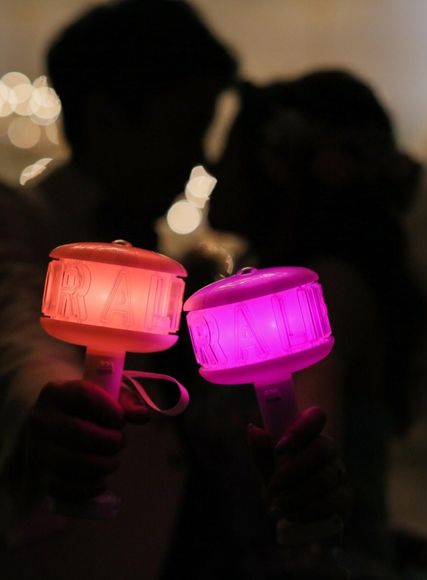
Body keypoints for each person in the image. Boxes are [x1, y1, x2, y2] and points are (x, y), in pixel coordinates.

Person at [0, 3, 349, 579]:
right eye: (186, 128)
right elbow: (20, 341)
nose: (200, 158)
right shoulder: (18, 221)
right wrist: (55, 405)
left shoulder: (182, 273)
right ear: (106, 118)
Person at [208, 70, 427, 577]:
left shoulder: (322, 291)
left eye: (231, 148)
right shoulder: (315, 284)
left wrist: (303, 490)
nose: (214, 164)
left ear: (277, 163)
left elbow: (308, 444)